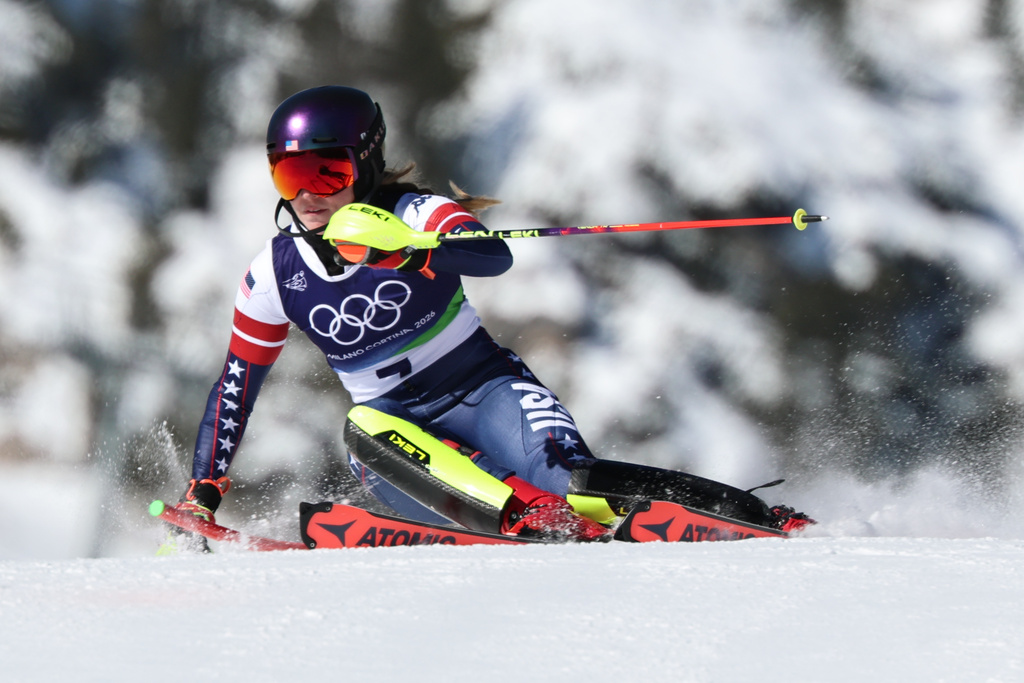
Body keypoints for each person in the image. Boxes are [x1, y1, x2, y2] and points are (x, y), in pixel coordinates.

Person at [167, 85, 811, 551]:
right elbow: (235, 387)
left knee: (576, 482)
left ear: (364, 164)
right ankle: (526, 517)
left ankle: (759, 517)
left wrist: (408, 252)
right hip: (396, 437)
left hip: (486, 388)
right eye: (289, 176)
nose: (309, 193)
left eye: (326, 171)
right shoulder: (272, 275)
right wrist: (203, 490)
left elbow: (491, 255)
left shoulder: (416, 215)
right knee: (363, 425)